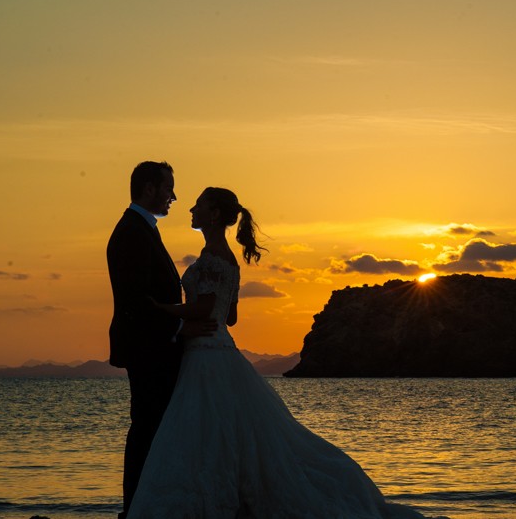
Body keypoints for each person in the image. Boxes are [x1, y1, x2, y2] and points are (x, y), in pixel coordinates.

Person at [126, 187, 424, 518]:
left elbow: (207, 307)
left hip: (207, 356)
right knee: (228, 432)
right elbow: (230, 316)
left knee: (206, 433)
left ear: (212, 214)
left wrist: (162, 310)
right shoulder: (226, 259)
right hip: (217, 348)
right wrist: (200, 310)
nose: (191, 209)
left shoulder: (212, 258)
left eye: (199, 205)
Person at [106, 161, 215, 518]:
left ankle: (146, 505)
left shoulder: (142, 229)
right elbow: (136, 302)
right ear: (150, 188)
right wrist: (180, 329)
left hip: (156, 348)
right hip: (148, 349)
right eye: (169, 188)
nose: (174, 197)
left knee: (153, 429)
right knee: (146, 429)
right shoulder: (132, 233)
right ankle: (136, 508)